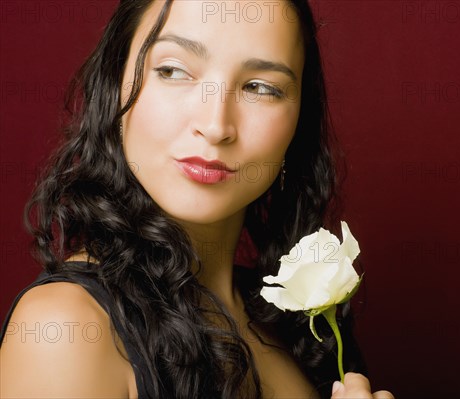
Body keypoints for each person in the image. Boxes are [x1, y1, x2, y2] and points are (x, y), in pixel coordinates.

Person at [0, 1, 394, 398]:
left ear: (298, 122)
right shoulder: (64, 330)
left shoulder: (295, 323)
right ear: (113, 85)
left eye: (260, 87)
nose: (215, 125)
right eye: (173, 71)